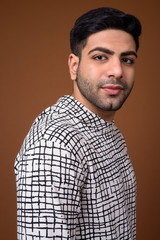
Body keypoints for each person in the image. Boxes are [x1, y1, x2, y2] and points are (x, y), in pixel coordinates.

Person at [15, 7, 142, 240]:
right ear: (74, 66)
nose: (117, 71)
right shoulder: (54, 145)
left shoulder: (106, 129)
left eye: (127, 59)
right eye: (100, 57)